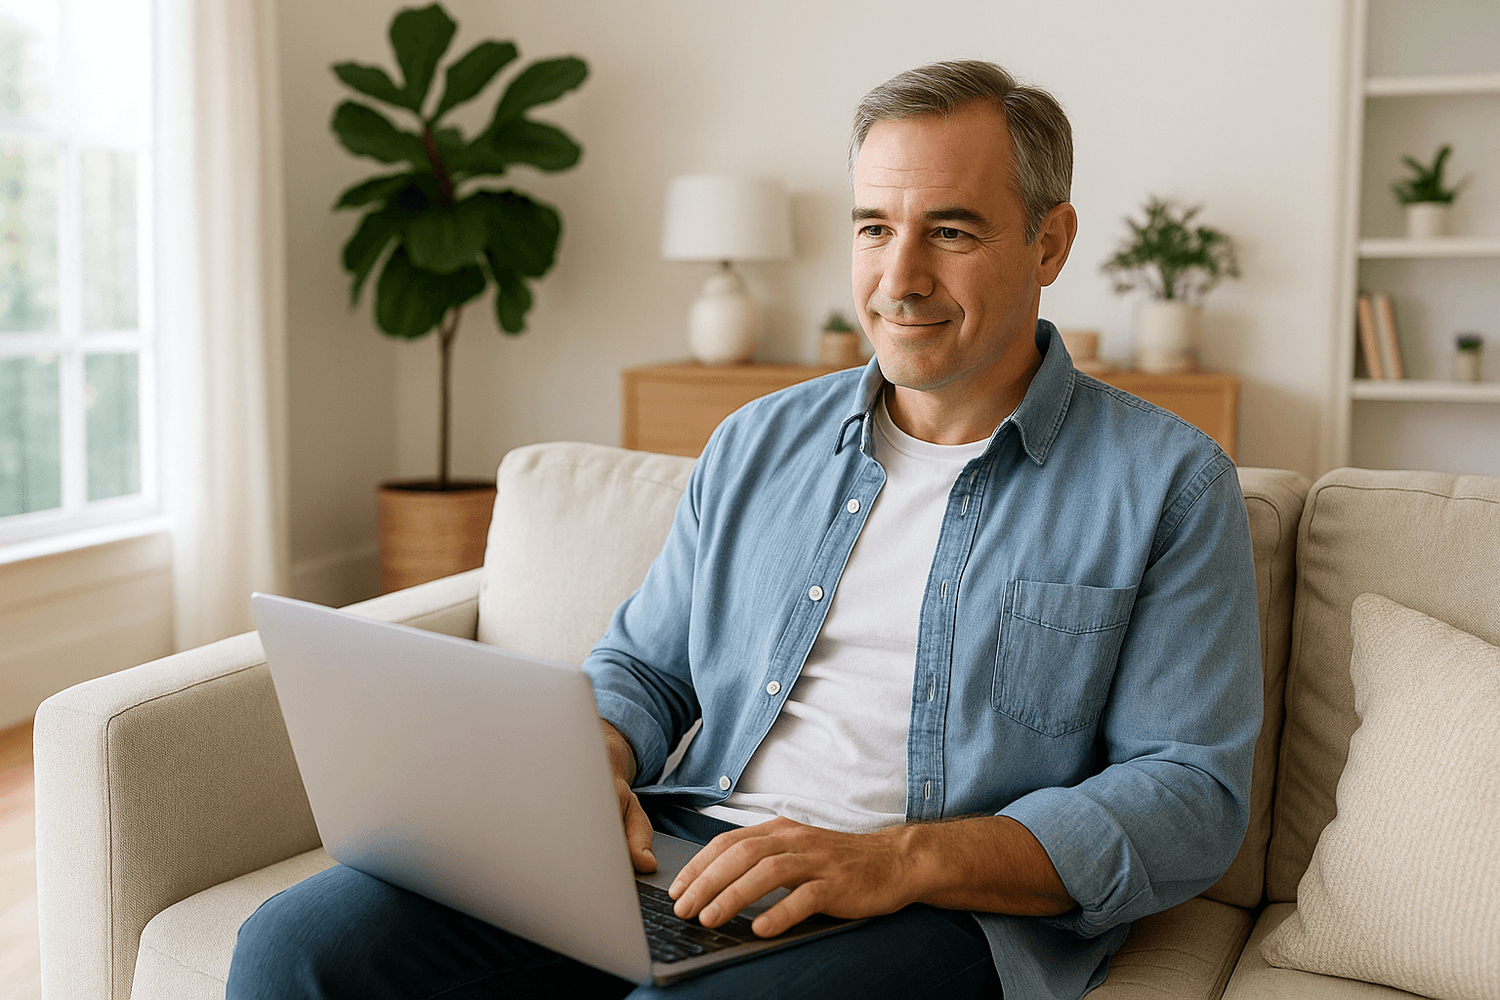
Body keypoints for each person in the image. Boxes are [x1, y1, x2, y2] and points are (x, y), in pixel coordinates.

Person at [228, 59, 1261, 1000]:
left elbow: (1188, 797)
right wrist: (595, 753)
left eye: (950, 230)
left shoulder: (1167, 484)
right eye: (872, 226)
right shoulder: (758, 442)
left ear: (1050, 240)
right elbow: (646, 663)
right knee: (299, 943)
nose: (898, 278)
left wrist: (896, 859)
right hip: (689, 849)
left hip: (931, 907)